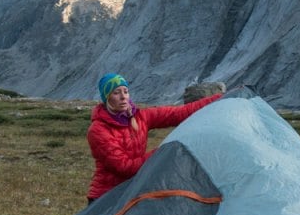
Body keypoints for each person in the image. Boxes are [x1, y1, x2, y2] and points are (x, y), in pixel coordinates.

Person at [86, 73, 222, 202]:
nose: (123, 97)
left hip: (131, 190)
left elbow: (178, 113)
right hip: (105, 197)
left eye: (125, 91)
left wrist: (220, 98)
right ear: (107, 97)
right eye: (116, 93)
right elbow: (124, 167)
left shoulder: (140, 117)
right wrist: (161, 152)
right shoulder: (98, 130)